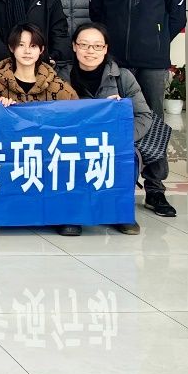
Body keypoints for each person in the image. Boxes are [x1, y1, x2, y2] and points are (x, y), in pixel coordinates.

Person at [89, 0, 187, 218]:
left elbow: (177, 17)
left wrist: (156, 41)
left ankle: (155, 188)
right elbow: (96, 14)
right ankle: (117, 183)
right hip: (114, 60)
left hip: (152, 61)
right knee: (112, 117)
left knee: (153, 119)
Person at [55, 22, 155, 236]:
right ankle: (71, 214)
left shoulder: (122, 77)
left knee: (127, 157)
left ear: (106, 48)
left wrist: (121, 138)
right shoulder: (60, 77)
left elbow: (144, 116)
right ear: (74, 46)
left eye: (97, 46)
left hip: (112, 143)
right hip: (72, 143)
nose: (90, 51)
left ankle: (121, 214)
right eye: (84, 45)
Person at [0, 24, 78, 105]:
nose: (27, 51)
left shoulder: (59, 87)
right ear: (11, 48)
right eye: (21, 45)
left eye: (33, 46)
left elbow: (76, 115)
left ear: (41, 50)